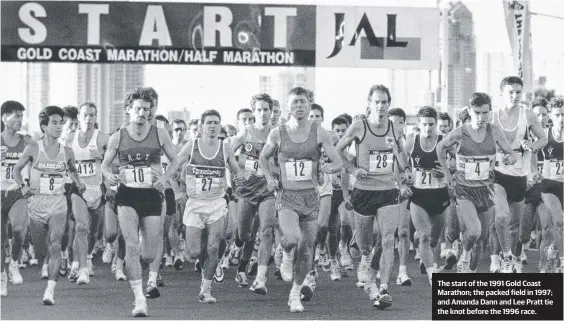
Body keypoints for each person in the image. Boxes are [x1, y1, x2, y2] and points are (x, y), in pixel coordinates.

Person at [259, 87, 342, 313]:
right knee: (292, 238)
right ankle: (285, 254)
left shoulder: (320, 133)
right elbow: (263, 157)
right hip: (287, 196)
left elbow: (338, 162)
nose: (299, 106)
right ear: (288, 107)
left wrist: (328, 166)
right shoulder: (278, 133)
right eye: (294, 102)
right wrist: (269, 177)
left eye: (303, 102)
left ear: (309, 105)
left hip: (310, 197)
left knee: (307, 249)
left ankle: (295, 294)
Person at [102, 88, 176, 317]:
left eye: (146, 109)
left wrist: (164, 177)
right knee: (132, 246)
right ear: (128, 111)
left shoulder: (160, 134)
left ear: (151, 111)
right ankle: (139, 300)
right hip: (127, 196)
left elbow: (175, 161)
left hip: (152, 195)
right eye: (137, 109)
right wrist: (109, 175)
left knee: (148, 255)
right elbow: (105, 165)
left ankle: (140, 267)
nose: (142, 113)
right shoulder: (118, 136)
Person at [155, 109, 243, 303]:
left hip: (216, 204)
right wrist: (165, 178)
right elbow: (176, 162)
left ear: (220, 126)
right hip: (195, 204)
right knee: (194, 252)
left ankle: (206, 289)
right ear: (201, 126)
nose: (212, 126)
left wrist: (246, 179)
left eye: (216, 122)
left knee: (212, 248)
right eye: (209, 122)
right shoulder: (192, 146)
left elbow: (236, 171)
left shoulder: (225, 147)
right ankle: (199, 252)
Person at [437, 93, 519, 273]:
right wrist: (447, 174)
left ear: (490, 112)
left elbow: (511, 153)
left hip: (486, 189)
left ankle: (466, 259)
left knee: (481, 235)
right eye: (477, 113)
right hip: (464, 191)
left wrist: (510, 158)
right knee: (474, 230)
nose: (481, 118)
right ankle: (464, 259)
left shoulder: (494, 131)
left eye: (485, 113)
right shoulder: (459, 133)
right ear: (469, 111)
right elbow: (440, 147)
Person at [13, 106, 85, 305]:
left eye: (61, 123)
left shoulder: (67, 151)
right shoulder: (33, 149)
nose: (59, 126)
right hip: (36, 204)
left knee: (54, 245)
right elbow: (17, 171)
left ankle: (50, 291)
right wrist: (22, 187)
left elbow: (72, 170)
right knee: (41, 249)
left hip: (58, 204)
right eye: (54, 123)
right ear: (44, 126)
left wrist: (78, 182)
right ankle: (45, 261)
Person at [490, 77, 547, 273]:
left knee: (514, 227)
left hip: (518, 176)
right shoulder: (492, 116)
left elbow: (543, 138)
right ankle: (499, 258)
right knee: (502, 217)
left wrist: (531, 146)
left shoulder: (528, 116)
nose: (514, 96)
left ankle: (507, 258)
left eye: (518, 92)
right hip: (496, 175)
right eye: (510, 92)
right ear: (502, 93)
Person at [231, 94, 278, 293]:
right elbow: (226, 154)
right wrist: (238, 172)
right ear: (253, 111)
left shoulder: (277, 133)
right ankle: (238, 245)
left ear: (271, 111)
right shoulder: (245, 134)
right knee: (244, 233)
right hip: (247, 190)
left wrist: (276, 174)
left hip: (267, 189)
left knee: (266, 231)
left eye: (266, 109)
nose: (263, 113)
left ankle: (260, 278)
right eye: (258, 110)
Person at [63, 102, 109, 284]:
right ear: (79, 117)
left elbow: (117, 161)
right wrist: (76, 181)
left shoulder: (104, 138)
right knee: (81, 227)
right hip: (78, 188)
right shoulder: (69, 139)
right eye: (85, 115)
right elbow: (66, 165)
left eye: (91, 115)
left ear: (96, 117)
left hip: (97, 190)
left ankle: (83, 259)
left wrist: (104, 157)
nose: (88, 119)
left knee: (93, 233)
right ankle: (82, 269)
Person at [404, 107, 450, 284]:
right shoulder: (412, 141)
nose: (428, 128)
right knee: (424, 235)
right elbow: (399, 159)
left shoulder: (444, 142)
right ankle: (432, 273)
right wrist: (404, 177)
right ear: (419, 125)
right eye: (425, 124)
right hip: (419, 195)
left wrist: (446, 172)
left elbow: (460, 161)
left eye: (431, 124)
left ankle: (428, 255)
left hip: (439, 195)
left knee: (434, 238)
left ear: (436, 125)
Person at [1, 101, 34, 294]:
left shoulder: (27, 141)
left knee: (20, 230)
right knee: (0, 238)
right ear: (4, 118)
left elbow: (41, 158)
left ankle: (14, 263)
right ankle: (1, 278)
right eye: (16, 116)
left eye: (22, 116)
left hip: (17, 193)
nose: (20, 120)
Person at [540, 96, 563, 271]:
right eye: (557, 115)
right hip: (549, 186)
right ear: (551, 117)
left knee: (560, 225)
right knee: (560, 221)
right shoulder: (544, 136)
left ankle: (555, 247)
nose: (561, 119)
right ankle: (561, 263)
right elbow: (530, 156)